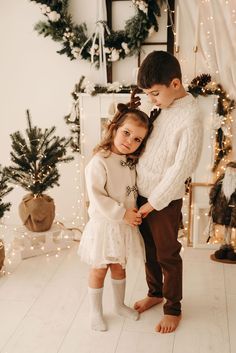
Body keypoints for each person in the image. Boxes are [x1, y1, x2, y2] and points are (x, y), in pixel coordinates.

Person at [132, 50, 203, 333]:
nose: (151, 99)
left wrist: (154, 202)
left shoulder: (190, 118)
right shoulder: (165, 106)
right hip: (142, 193)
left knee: (167, 254)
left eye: (154, 93)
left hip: (162, 200)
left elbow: (180, 169)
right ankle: (155, 292)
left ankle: (173, 307)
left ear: (175, 84)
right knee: (149, 250)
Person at [78, 102, 156, 331]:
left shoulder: (130, 162)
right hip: (105, 225)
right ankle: (95, 312)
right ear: (114, 128)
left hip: (123, 226)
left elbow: (130, 190)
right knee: (99, 268)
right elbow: (98, 197)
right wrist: (122, 213)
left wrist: (132, 214)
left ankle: (119, 305)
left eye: (137, 139)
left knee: (119, 267)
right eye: (126, 133)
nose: (129, 141)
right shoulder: (99, 161)